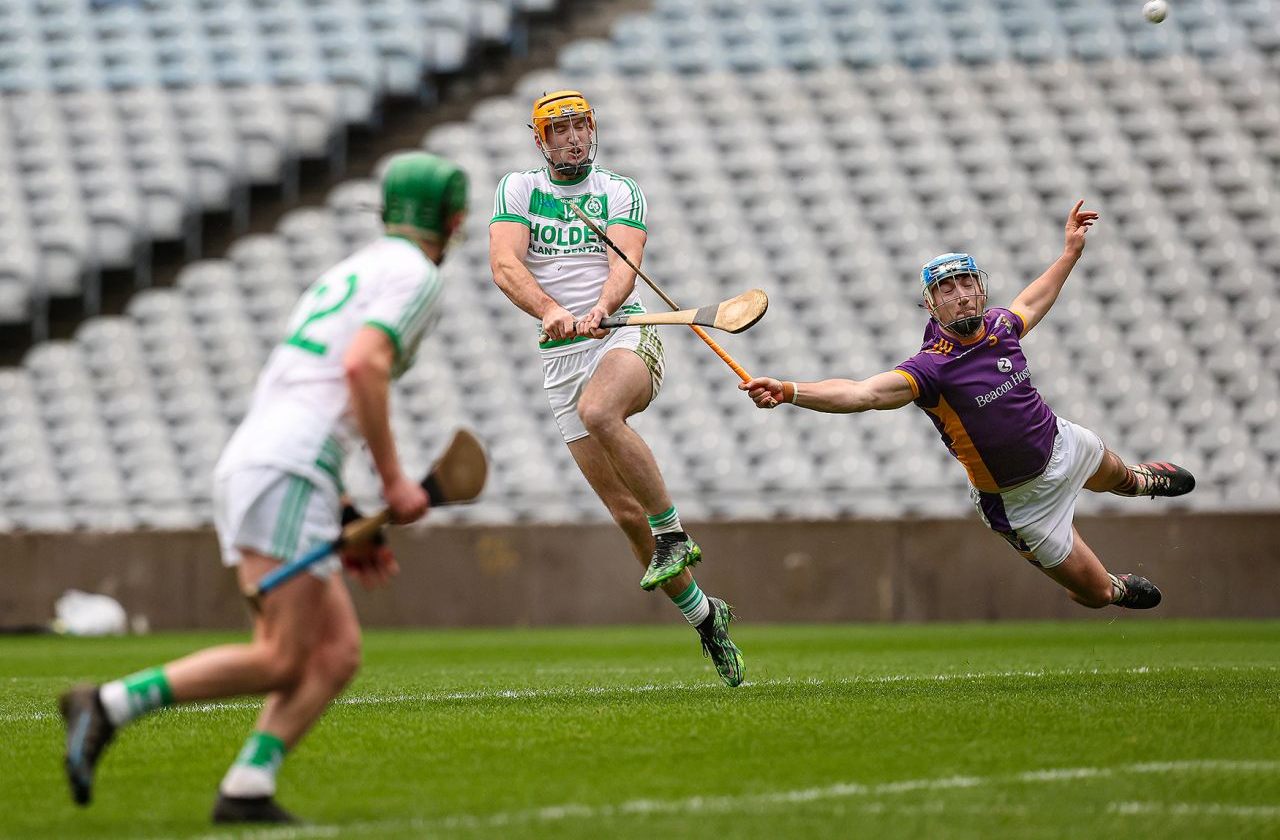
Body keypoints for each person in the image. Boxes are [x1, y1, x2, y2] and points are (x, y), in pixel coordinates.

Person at [58, 152, 469, 823]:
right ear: (453, 219)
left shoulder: (350, 270)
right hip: (288, 465)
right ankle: (106, 705)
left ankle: (247, 789)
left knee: (335, 654)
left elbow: (306, 385)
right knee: (282, 657)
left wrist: (342, 512)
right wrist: (394, 482)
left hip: (271, 458)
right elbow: (363, 365)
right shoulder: (417, 274)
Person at [740, 201, 1195, 610]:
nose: (959, 294)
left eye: (965, 283)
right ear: (931, 305)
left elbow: (1033, 300)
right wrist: (788, 389)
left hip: (1061, 444)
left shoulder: (1001, 325)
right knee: (1093, 596)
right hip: (1020, 503)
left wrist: (1070, 253)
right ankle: (1112, 587)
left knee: (1113, 474)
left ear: (980, 288)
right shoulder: (931, 368)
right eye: (946, 289)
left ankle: (1140, 479)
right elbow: (863, 394)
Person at [488, 90, 744, 686]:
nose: (573, 138)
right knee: (627, 515)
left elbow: (626, 265)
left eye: (581, 127)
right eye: (560, 130)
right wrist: (549, 308)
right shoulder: (519, 191)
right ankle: (707, 618)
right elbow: (505, 265)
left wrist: (602, 305)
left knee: (601, 409)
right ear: (541, 141)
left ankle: (674, 534)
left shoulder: (620, 191)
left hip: (622, 339)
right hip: (560, 359)